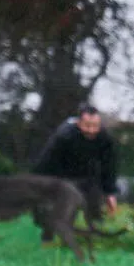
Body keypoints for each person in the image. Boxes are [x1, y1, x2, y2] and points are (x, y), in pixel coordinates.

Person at [32, 104, 119, 243]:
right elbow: (45, 164)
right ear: (79, 123)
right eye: (87, 125)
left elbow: (109, 167)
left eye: (95, 125)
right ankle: (48, 239)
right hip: (61, 176)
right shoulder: (63, 137)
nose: (91, 130)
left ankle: (96, 239)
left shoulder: (104, 139)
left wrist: (110, 193)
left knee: (95, 207)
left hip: (88, 176)